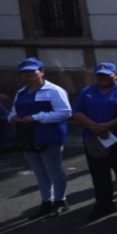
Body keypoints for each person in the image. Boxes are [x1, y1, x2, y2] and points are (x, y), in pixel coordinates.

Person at [72, 62, 117, 219]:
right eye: (100, 75)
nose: (103, 78)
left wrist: (107, 125)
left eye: (107, 75)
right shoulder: (86, 92)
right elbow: (77, 113)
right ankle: (104, 204)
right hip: (94, 138)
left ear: (116, 75)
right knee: (99, 173)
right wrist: (94, 126)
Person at [10, 58, 71, 217]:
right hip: (27, 137)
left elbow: (65, 112)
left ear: (41, 71)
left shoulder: (54, 90)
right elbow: (13, 111)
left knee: (54, 169)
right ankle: (46, 201)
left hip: (49, 136)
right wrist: (13, 118)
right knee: (39, 171)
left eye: (32, 71)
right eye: (24, 72)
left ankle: (60, 200)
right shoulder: (21, 92)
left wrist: (37, 117)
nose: (28, 74)